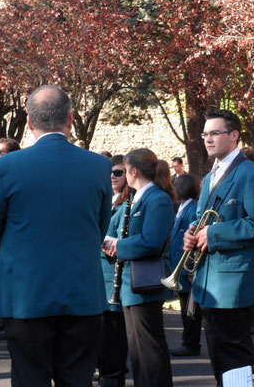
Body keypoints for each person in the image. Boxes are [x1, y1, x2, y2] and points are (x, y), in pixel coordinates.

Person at [0, 85, 113, 386]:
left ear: (28, 122)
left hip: (26, 293)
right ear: (70, 120)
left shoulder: (5, 167)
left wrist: (10, 268)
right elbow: (100, 226)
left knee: (29, 377)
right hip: (82, 291)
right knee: (77, 378)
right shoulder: (98, 166)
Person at [183, 109, 254, 385]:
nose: (207, 139)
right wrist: (193, 235)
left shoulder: (251, 174)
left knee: (236, 355)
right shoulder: (211, 175)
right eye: (205, 134)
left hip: (234, 281)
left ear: (233, 136)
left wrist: (215, 232)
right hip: (209, 279)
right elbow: (202, 221)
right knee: (218, 353)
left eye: (214, 133)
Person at [103, 149, 175, 387]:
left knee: (149, 350)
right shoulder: (138, 197)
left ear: (133, 171)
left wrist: (118, 245)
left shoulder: (158, 198)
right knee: (137, 352)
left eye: (123, 170)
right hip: (131, 284)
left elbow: (152, 241)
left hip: (145, 283)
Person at [97, 155, 130, 387]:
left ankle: (112, 380)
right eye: (110, 172)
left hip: (114, 276)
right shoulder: (108, 199)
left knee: (113, 340)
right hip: (100, 276)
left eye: (118, 172)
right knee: (102, 338)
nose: (112, 176)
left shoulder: (129, 202)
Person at [169, 173, 202, 357]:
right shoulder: (182, 207)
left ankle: (191, 343)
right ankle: (188, 341)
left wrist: (190, 268)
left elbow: (193, 241)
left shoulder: (192, 210)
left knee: (190, 310)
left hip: (186, 269)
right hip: (178, 268)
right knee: (184, 308)